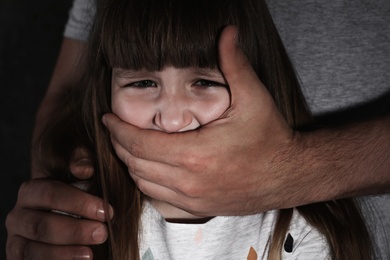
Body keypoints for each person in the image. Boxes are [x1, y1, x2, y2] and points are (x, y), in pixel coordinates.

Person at [5, 0, 390, 259]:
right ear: (104, 91)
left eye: (204, 82)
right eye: (141, 84)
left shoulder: (301, 235)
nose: (171, 120)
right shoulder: (87, 221)